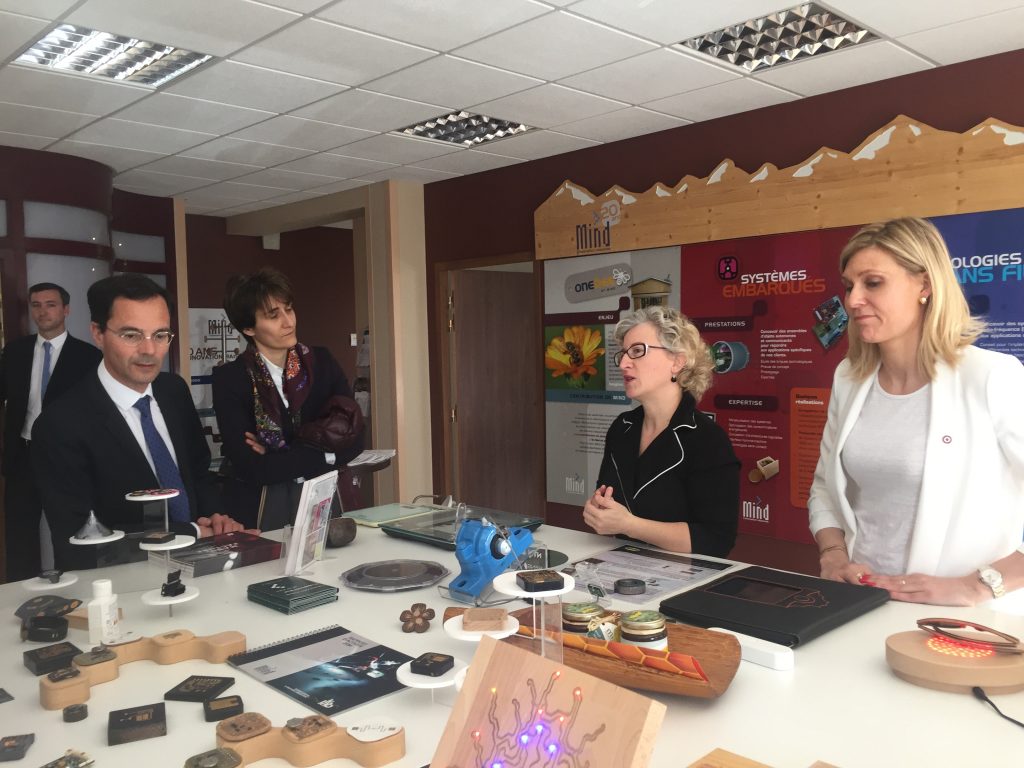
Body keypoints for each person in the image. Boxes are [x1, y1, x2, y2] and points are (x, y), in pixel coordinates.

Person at [809, 217, 1024, 605]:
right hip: (862, 601)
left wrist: (976, 586)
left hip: (963, 621)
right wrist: (833, 554)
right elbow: (825, 485)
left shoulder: (991, 376)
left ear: (924, 285)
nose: (853, 300)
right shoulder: (849, 378)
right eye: (849, 286)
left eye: (873, 283)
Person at [31, 275, 245, 570]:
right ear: (98, 333)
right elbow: (78, 536)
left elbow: (197, 472)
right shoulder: (60, 423)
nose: (149, 350)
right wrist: (192, 532)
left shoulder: (173, 391)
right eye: (131, 335)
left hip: (203, 566)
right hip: (120, 581)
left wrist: (216, 518)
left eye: (160, 335)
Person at [213, 268, 363, 529]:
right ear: (248, 327)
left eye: (289, 309)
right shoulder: (231, 379)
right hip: (259, 510)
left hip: (322, 502)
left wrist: (281, 452)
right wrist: (326, 453)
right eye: (273, 315)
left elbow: (356, 437)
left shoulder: (321, 362)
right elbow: (252, 468)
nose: (288, 322)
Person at [583, 306, 740, 556]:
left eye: (637, 351)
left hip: (682, 576)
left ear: (677, 361)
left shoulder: (707, 440)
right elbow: (608, 502)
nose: (623, 363)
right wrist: (599, 512)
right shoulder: (622, 428)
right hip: (621, 568)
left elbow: (716, 540)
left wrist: (630, 525)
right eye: (623, 354)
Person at [0, 283, 101, 581]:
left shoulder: (87, 357)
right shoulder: (15, 352)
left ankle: (74, 590)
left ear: (66, 310)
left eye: (51, 304)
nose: (42, 311)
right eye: (36, 305)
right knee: (19, 533)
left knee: (68, 531)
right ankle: (20, 594)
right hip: (23, 455)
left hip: (65, 458)